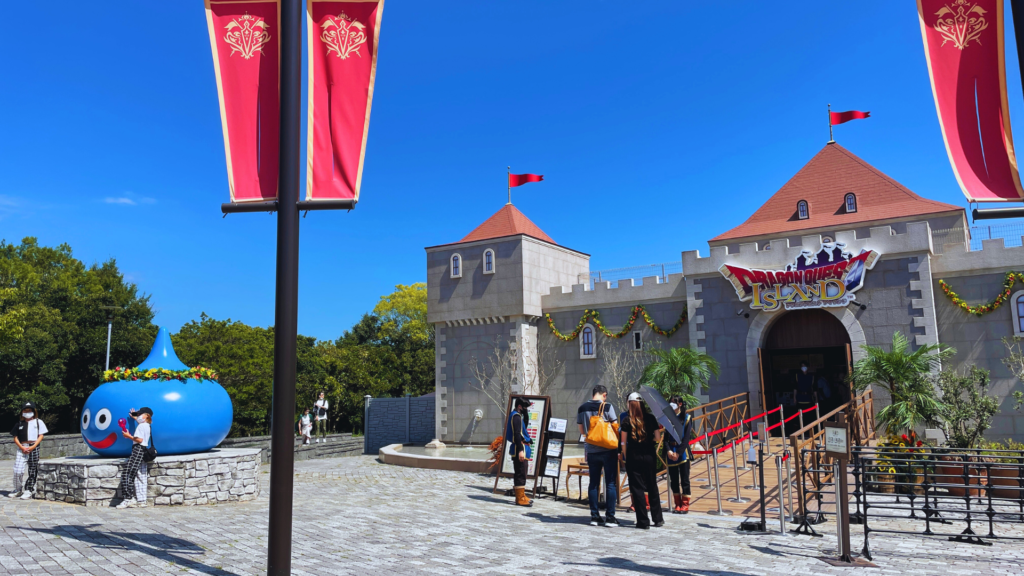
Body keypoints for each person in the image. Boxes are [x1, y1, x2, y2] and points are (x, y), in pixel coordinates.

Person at [619, 392, 664, 529]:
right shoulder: (650, 418)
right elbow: (657, 437)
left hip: (634, 456)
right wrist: (649, 439)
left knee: (637, 488)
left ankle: (643, 521)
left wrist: (625, 456)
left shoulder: (626, 420)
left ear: (630, 404)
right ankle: (658, 519)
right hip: (649, 455)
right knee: (652, 486)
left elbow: (623, 442)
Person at [577, 385, 620, 527]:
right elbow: (614, 426)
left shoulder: (582, 408)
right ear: (604, 395)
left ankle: (594, 516)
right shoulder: (607, 407)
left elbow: (582, 431)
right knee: (611, 483)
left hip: (592, 451)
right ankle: (610, 517)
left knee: (593, 483)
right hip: (608, 450)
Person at [8, 402, 47, 500]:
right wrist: (21, 447)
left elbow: (41, 435)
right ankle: (17, 489)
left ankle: (29, 489)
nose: (27, 412)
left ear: (34, 411)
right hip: (22, 448)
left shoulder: (38, 422)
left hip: (33, 447)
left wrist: (33, 446)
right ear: (22, 412)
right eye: (25, 410)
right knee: (18, 470)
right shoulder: (19, 424)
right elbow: (15, 437)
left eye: (29, 410)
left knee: (33, 469)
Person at [117, 407, 153, 509]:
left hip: (138, 449)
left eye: (140, 414)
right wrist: (134, 417)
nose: (139, 416)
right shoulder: (147, 425)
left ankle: (128, 499)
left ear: (146, 415)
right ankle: (140, 500)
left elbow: (140, 439)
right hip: (142, 450)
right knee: (138, 474)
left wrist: (128, 436)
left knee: (127, 473)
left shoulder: (142, 426)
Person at [665, 396, 694, 513]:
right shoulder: (668, 419)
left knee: (684, 479)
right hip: (671, 450)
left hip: (681, 451)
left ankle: (685, 504)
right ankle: (677, 503)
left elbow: (687, 438)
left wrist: (678, 452)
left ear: (680, 404)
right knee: (674, 480)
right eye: (670, 402)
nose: (672, 404)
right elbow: (665, 438)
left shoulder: (687, 418)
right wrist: (668, 450)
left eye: (674, 402)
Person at [507, 397, 534, 507]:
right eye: (525, 407)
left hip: (522, 446)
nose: (526, 409)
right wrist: (520, 450)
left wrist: (526, 415)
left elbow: (524, 429)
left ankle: (522, 495)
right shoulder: (516, 417)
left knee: (522, 472)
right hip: (520, 447)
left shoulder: (517, 416)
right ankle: (519, 498)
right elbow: (517, 434)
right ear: (519, 406)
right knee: (520, 473)